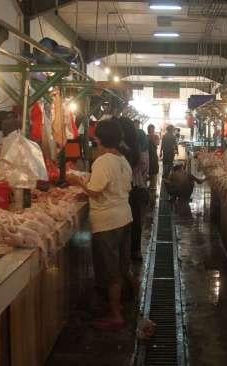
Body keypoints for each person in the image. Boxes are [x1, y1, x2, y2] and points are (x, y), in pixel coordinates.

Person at [73, 119, 133, 330]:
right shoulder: (122, 160)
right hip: (124, 217)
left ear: (99, 138)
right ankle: (119, 306)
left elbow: (95, 191)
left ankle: (115, 315)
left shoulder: (103, 161)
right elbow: (119, 188)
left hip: (107, 222)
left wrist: (79, 181)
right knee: (120, 266)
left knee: (110, 271)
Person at [129, 119, 149, 261]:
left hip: (134, 188)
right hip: (140, 188)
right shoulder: (142, 153)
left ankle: (132, 251)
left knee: (133, 221)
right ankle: (135, 250)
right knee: (137, 220)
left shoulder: (132, 153)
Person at [147, 124, 160, 190]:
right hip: (147, 155)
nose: (151, 131)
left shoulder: (156, 136)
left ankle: (153, 185)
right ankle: (148, 184)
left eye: (152, 129)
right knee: (148, 170)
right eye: (149, 129)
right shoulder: (146, 136)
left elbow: (157, 143)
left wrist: (152, 138)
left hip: (154, 155)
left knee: (154, 170)